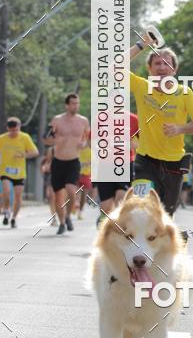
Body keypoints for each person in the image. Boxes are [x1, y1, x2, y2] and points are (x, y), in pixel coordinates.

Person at [129, 34, 193, 215]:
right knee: (141, 210)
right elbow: (113, 68)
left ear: (174, 69)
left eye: (167, 64)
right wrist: (142, 44)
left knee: (165, 216)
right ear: (149, 68)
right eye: (157, 63)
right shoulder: (141, 87)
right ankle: (139, 242)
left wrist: (180, 128)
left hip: (173, 163)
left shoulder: (185, 93)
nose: (162, 67)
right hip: (145, 161)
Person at [44, 94, 90, 235]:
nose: (75, 106)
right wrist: (54, 140)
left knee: (71, 191)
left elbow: (86, 139)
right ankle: (62, 222)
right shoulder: (57, 120)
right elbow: (46, 139)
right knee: (58, 196)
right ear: (67, 105)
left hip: (73, 161)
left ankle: (69, 216)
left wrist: (83, 144)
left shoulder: (83, 121)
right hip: (58, 161)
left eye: (77, 103)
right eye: (73, 103)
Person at [0, 118, 39, 228]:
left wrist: (23, 155)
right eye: (11, 130)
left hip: (19, 172)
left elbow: (35, 152)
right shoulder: (2, 138)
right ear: (7, 128)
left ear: (19, 127)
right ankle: (7, 210)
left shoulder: (25, 137)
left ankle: (14, 218)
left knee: (18, 196)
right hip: (5, 170)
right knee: (6, 191)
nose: (13, 133)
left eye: (16, 130)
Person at [93, 111, 139, 219]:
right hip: (105, 165)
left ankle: (119, 230)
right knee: (106, 207)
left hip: (125, 164)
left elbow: (142, 142)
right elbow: (93, 140)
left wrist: (130, 145)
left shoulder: (133, 119)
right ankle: (105, 221)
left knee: (121, 200)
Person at [77, 138, 93, 219]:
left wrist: (86, 163)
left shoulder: (91, 150)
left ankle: (80, 212)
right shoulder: (77, 149)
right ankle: (75, 205)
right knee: (74, 191)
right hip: (76, 173)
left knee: (84, 195)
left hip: (87, 174)